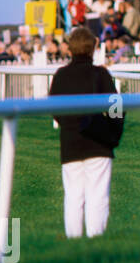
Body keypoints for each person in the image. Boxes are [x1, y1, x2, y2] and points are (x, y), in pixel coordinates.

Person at [48, 27, 123, 238]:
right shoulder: (100, 74)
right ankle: (95, 239)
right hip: (98, 143)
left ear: (70, 49)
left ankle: (74, 240)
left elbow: (54, 109)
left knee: (73, 196)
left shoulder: (61, 75)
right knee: (97, 196)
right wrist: (113, 133)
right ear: (93, 48)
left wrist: (69, 126)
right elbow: (116, 107)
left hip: (70, 142)